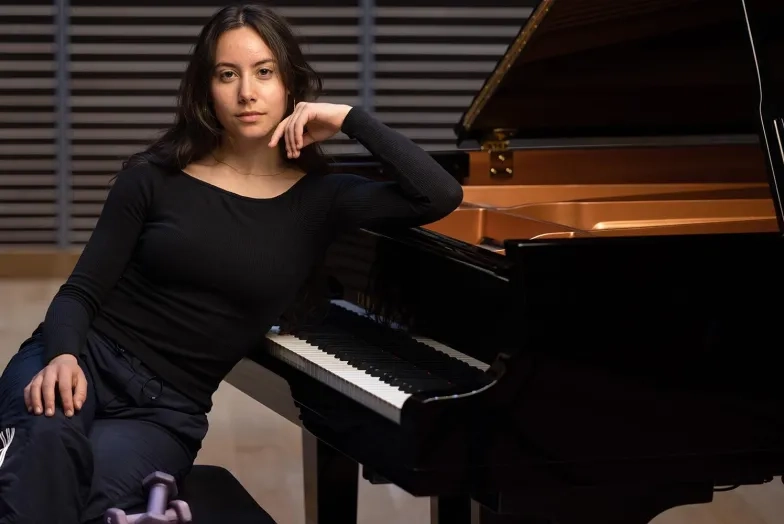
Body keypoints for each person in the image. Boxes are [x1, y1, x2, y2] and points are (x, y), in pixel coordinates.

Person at [0, 3, 462, 523]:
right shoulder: (153, 178)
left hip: (163, 410)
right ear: (206, 90)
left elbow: (439, 194)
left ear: (290, 84)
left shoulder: (322, 199)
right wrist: (62, 355)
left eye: (264, 72)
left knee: (86, 497)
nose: (247, 92)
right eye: (228, 74)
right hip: (80, 361)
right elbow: (81, 291)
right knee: (46, 449)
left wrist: (350, 118)